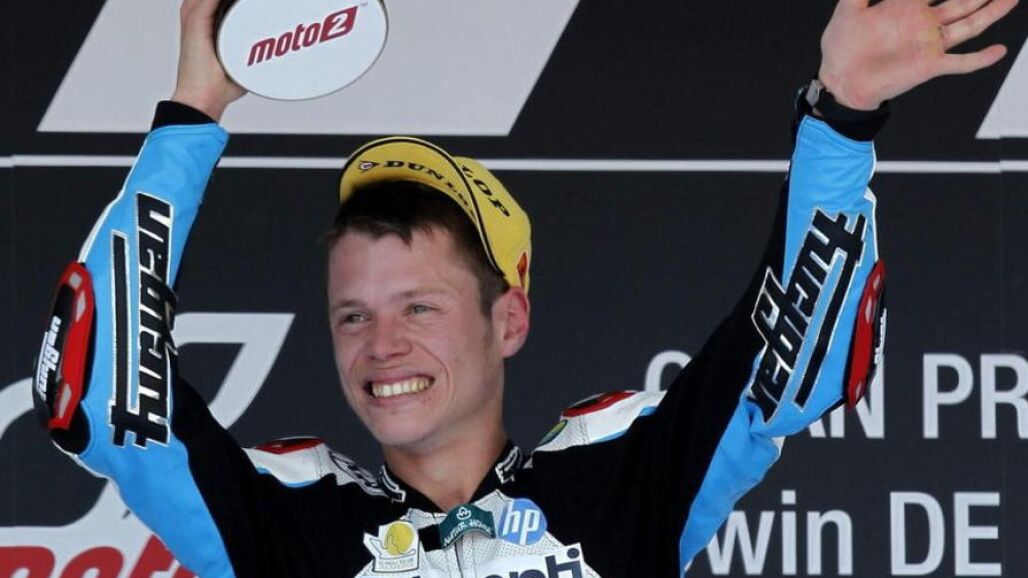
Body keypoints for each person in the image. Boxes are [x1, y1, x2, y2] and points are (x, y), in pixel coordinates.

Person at [32, 0, 1017, 576]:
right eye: (352, 314)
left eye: (419, 306)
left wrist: (841, 115)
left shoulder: (623, 479)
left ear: (508, 318)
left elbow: (796, 365)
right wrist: (193, 109)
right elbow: (100, 391)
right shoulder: (285, 524)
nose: (381, 344)